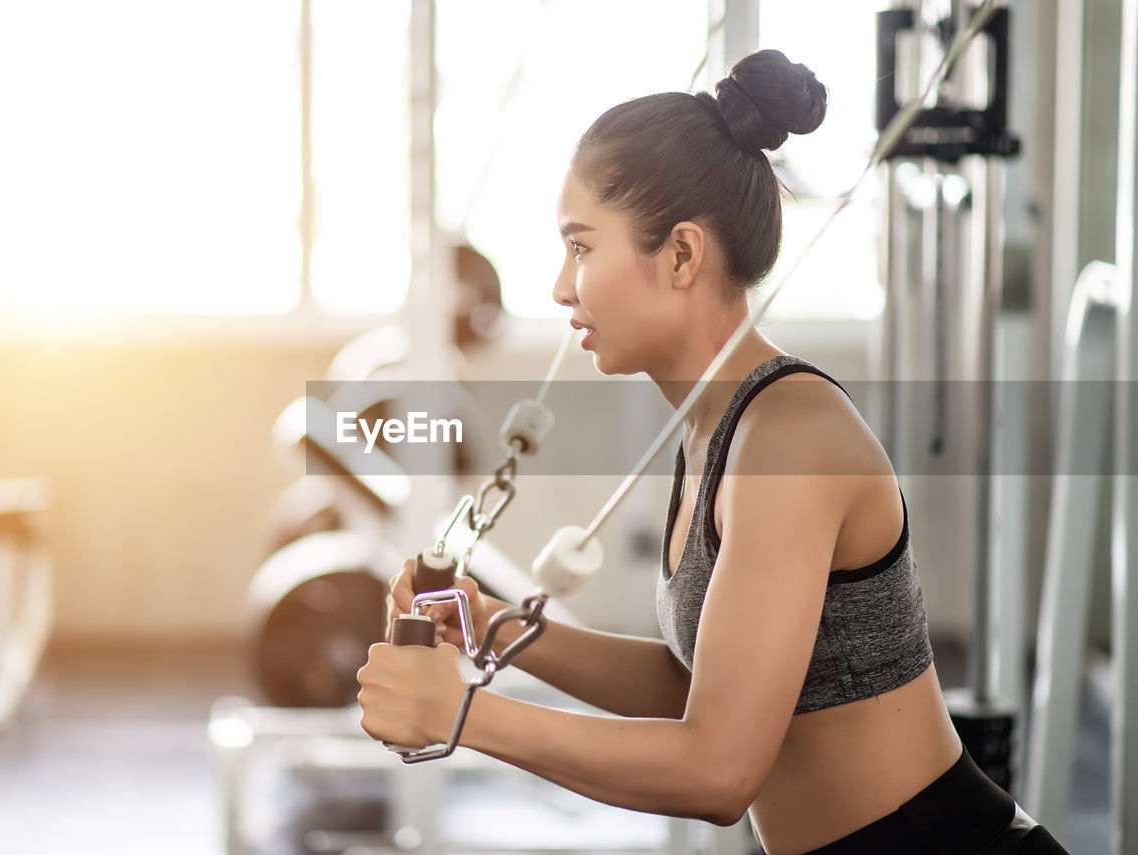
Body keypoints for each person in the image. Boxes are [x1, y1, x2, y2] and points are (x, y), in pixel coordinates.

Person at [356, 49, 1069, 855]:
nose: (561, 287)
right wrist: (489, 628)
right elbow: (703, 684)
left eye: (582, 248)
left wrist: (462, 714)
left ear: (683, 255)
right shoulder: (711, 429)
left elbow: (719, 770)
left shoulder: (788, 438)